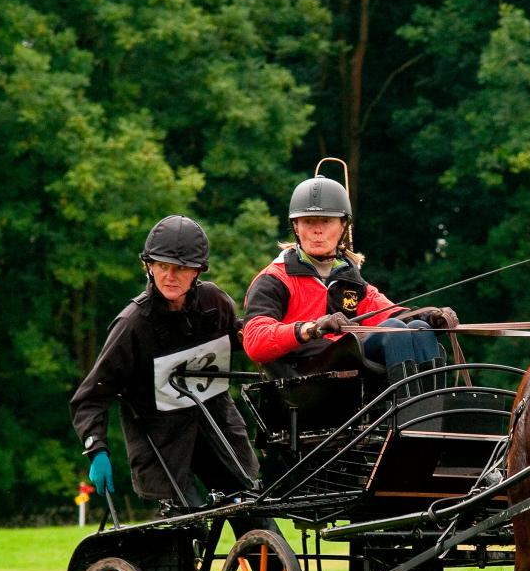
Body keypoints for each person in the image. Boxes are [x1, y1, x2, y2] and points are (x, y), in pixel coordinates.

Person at [71, 215, 272, 529]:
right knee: (187, 530)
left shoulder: (215, 303)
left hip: (217, 426)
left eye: (181, 268)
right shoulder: (132, 325)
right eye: (162, 266)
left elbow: (249, 342)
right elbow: (92, 397)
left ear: (197, 272)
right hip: (160, 442)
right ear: (148, 266)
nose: (170, 276)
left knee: (254, 515)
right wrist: (96, 448)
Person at [241, 174, 457, 388]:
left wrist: (429, 317)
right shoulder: (274, 278)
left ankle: (433, 415)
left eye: (326, 221)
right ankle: (409, 414)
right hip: (301, 379)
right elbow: (254, 341)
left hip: (347, 371)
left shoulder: (348, 277)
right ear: (296, 227)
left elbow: (388, 312)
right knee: (394, 331)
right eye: (308, 221)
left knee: (418, 328)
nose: (317, 230)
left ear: (343, 226)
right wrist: (310, 328)